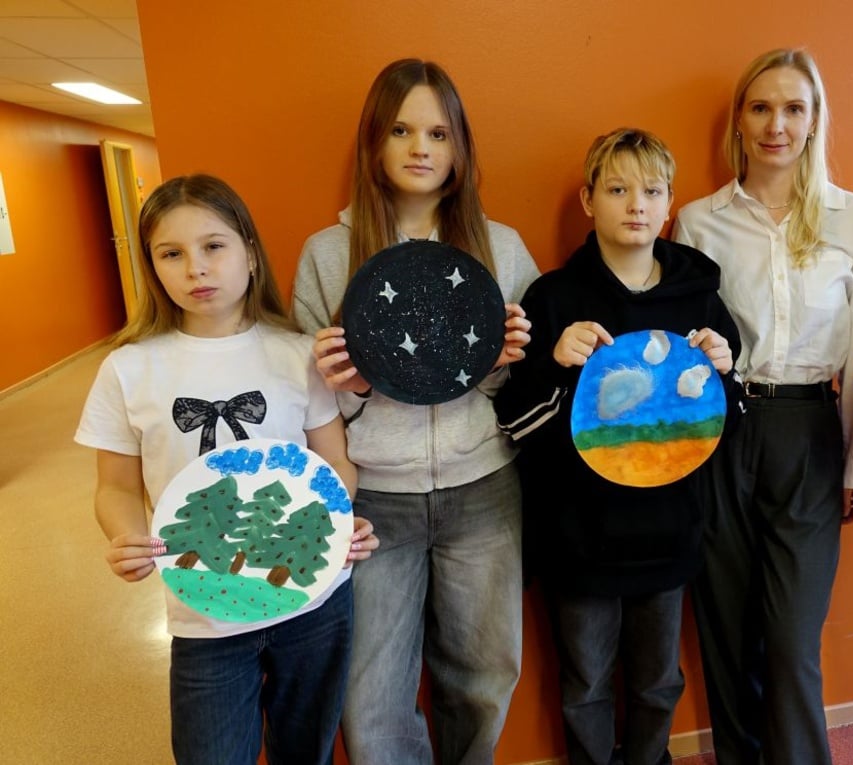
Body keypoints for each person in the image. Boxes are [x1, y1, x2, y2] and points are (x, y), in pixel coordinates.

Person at [75, 174, 379, 765]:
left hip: (311, 598)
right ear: (152, 268)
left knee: (306, 748)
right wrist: (124, 537)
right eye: (172, 253)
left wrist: (339, 520)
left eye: (213, 246)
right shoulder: (127, 369)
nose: (196, 268)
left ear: (250, 254)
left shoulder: (298, 353)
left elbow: (335, 461)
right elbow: (113, 486)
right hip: (204, 610)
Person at [291, 58, 540, 765]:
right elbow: (310, 404)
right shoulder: (326, 253)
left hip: (484, 488)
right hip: (374, 498)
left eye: (438, 131)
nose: (420, 147)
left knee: (486, 675)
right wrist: (350, 383)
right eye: (400, 129)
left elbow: (526, 393)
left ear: (460, 146)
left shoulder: (504, 247)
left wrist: (499, 368)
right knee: (369, 698)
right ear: (374, 141)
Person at [495, 128, 746, 765]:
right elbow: (516, 427)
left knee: (659, 680)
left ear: (670, 204)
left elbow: (730, 425)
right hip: (579, 534)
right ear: (588, 200)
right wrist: (554, 366)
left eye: (651, 191)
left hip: (669, 530)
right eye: (616, 189)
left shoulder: (702, 298)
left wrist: (724, 378)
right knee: (585, 683)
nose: (636, 204)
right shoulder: (552, 298)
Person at [672, 48, 853, 764]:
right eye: (761, 107)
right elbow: (680, 349)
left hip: (809, 432)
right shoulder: (698, 222)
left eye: (795, 108)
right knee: (726, 629)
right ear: (740, 119)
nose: (777, 125)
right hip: (722, 429)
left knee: (792, 638)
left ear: (816, 119)